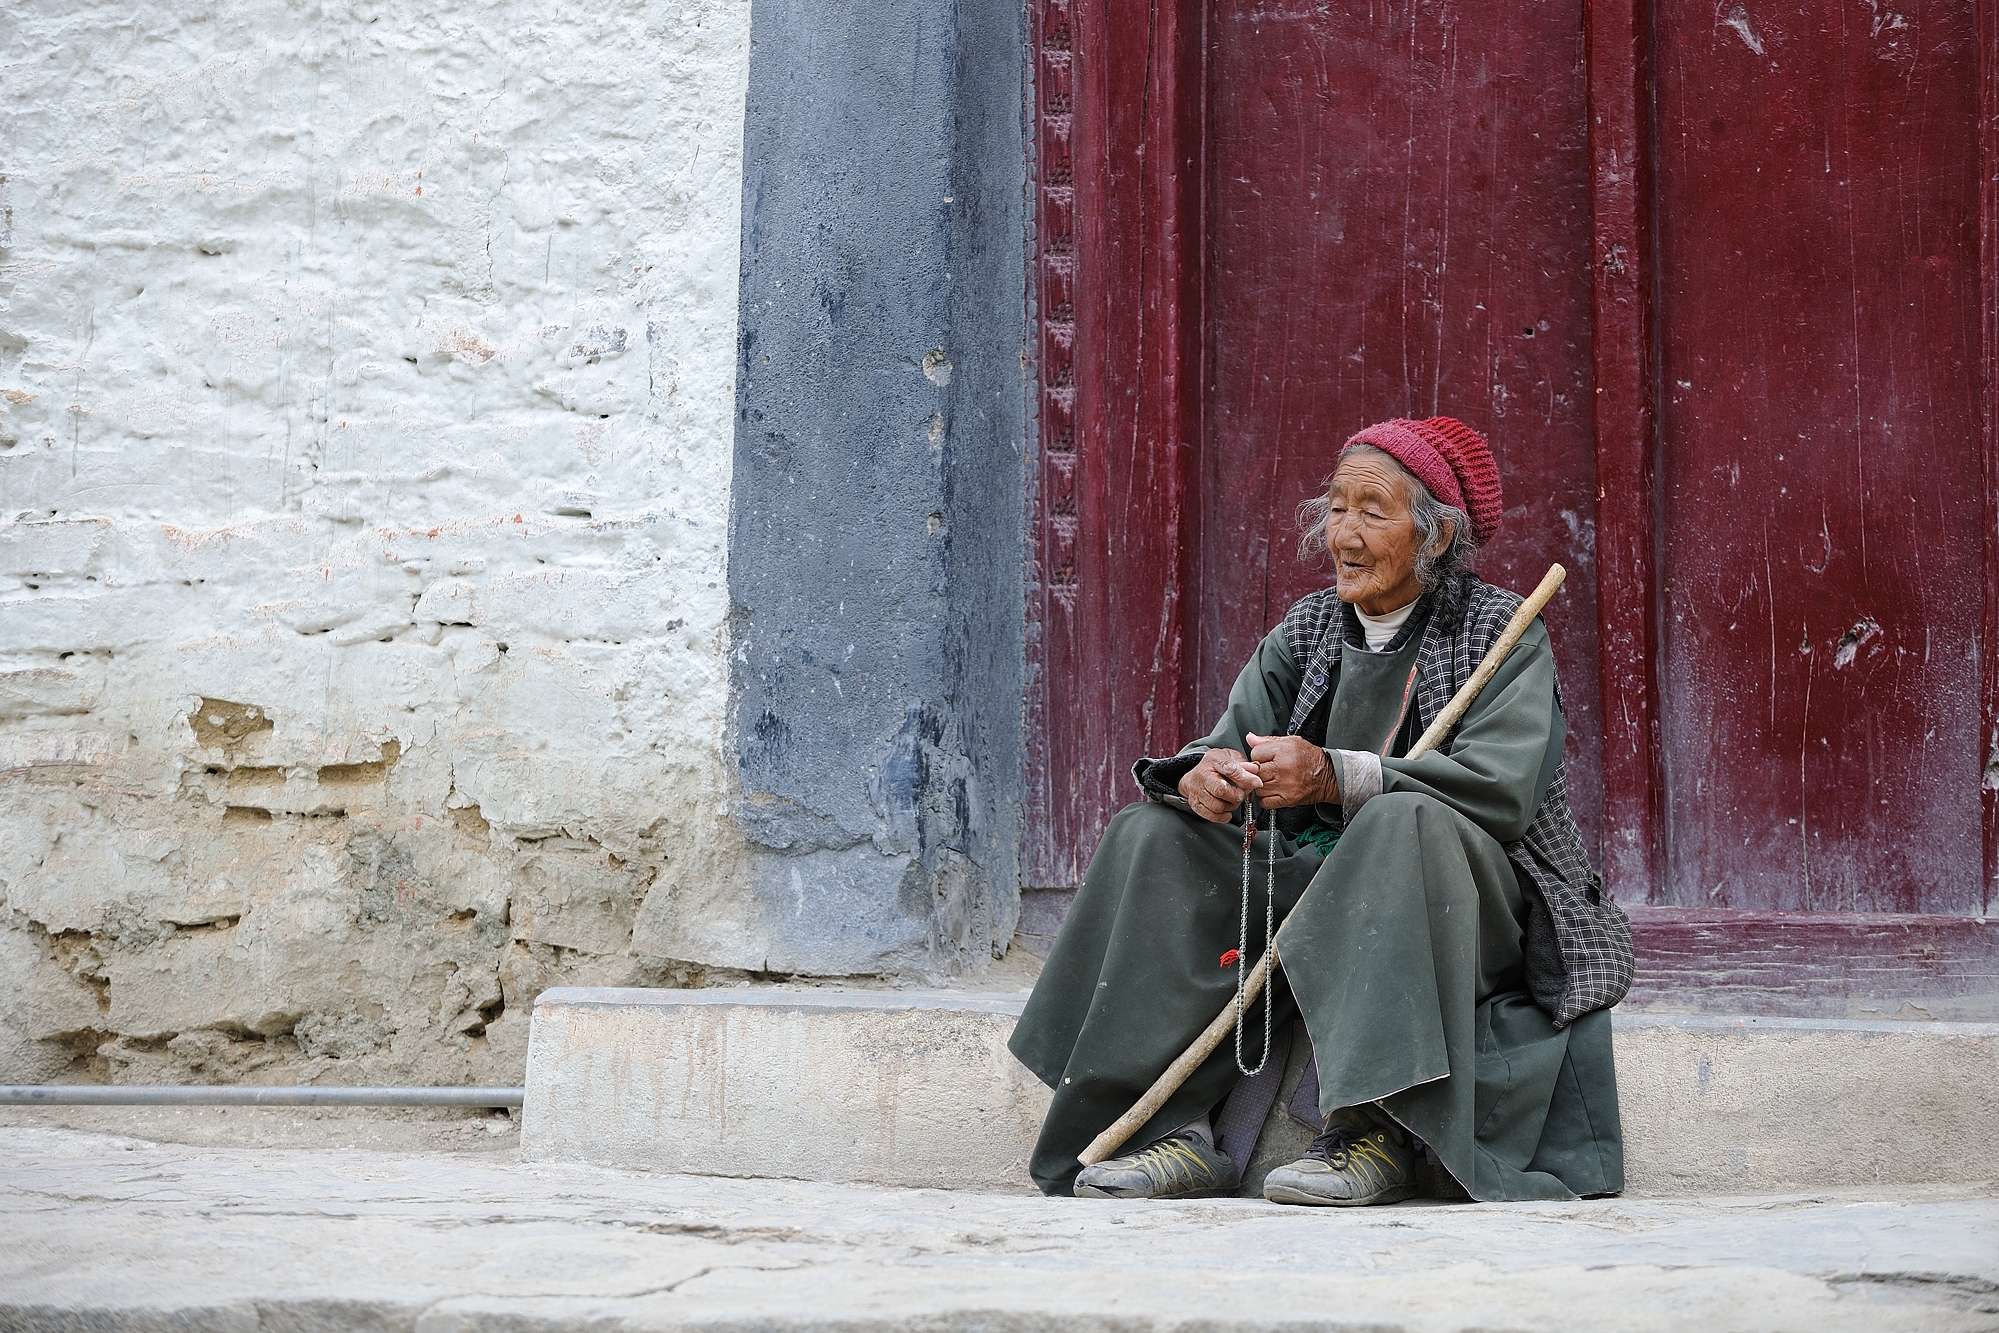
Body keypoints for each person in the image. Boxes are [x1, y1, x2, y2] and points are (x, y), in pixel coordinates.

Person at [1008, 416, 1633, 1205]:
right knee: (1153, 830)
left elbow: (1501, 788)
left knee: (1397, 822)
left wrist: (1336, 776)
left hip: (1458, 900)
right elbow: (1227, 742)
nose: (1344, 532)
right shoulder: (1309, 627)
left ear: (1433, 536)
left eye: (1372, 510)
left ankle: (1373, 1130)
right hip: (1316, 883)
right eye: (1335, 508)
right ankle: (1167, 1127)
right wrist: (1206, 776)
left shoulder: (1499, 630)